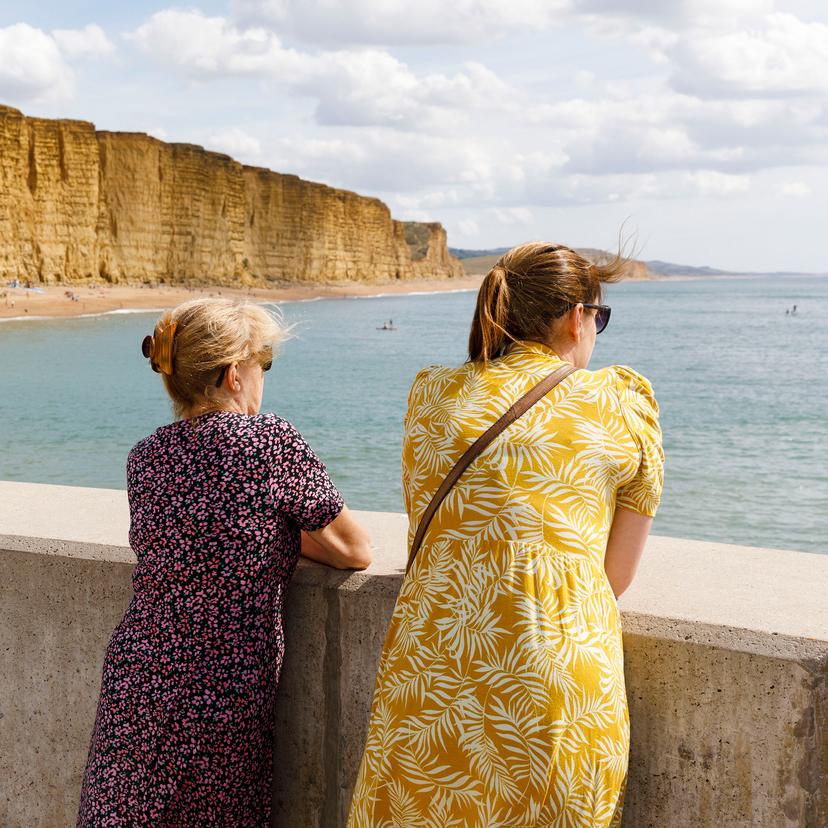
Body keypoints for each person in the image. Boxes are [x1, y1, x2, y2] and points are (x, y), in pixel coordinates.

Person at [348, 242, 664, 827]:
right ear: (577, 316)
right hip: (553, 698)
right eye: (600, 316)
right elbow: (613, 578)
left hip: (429, 685)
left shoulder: (432, 396)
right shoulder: (616, 404)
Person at [77, 298, 372, 827]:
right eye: (265, 364)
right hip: (222, 693)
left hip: (137, 680)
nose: (265, 378)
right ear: (235, 374)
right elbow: (354, 550)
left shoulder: (145, 457)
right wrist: (283, 531)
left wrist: (268, 527)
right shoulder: (272, 445)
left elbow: (201, 535)